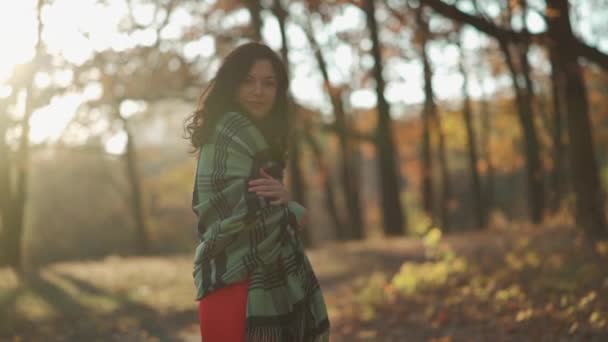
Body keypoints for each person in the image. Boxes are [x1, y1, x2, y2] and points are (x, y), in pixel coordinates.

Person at [183, 42, 330, 342]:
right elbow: (255, 214)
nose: (258, 91)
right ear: (232, 85)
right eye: (248, 81)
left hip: (253, 284)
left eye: (268, 83)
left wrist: (285, 201)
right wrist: (294, 210)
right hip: (235, 284)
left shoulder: (260, 141)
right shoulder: (230, 132)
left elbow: (270, 207)